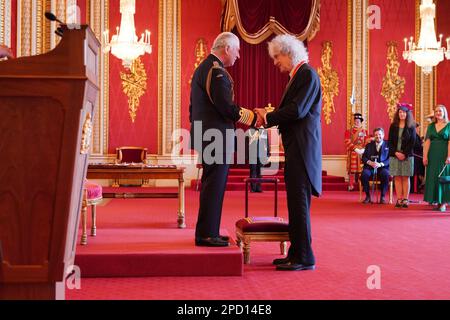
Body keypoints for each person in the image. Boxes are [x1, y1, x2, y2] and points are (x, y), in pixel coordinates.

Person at [255, 34, 322, 271]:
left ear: (288, 53)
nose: (275, 63)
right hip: (298, 149)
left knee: (299, 204)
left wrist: (269, 117)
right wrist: (269, 115)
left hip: (303, 151)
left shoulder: (306, 74)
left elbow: (297, 110)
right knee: (295, 203)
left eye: (276, 57)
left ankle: (304, 257)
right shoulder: (299, 76)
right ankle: (296, 252)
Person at [189, 32, 260, 247]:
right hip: (215, 137)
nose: (238, 56)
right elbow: (226, 108)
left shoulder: (206, 68)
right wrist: (254, 117)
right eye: (237, 51)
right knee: (214, 185)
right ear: (227, 48)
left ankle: (208, 231)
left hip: (209, 135)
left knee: (213, 185)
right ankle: (206, 235)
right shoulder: (216, 71)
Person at [388, 103, 417, 208]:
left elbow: (412, 142)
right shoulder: (393, 126)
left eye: (404, 112)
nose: (402, 114)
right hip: (395, 154)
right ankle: (399, 199)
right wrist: (396, 152)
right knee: (397, 177)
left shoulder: (411, 126)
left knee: (405, 177)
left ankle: (405, 199)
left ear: (407, 114)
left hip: (407, 156)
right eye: (400, 112)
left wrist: (404, 154)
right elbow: (390, 141)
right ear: (397, 114)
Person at [423, 105, 450, 212]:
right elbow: (427, 142)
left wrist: (449, 156)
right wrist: (425, 156)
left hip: (444, 154)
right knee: (434, 177)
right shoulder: (431, 126)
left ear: (444, 113)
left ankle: (443, 202)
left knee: (443, 178)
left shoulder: (448, 125)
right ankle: (437, 201)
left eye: (440, 111)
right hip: (432, 155)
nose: (438, 113)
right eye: (436, 111)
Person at [360, 128, 390, 204]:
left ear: (383, 135)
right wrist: (370, 162)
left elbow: (390, 159)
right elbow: (363, 157)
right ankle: (367, 196)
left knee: (385, 174)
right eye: (376, 135)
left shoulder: (388, 145)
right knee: (364, 174)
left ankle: (382, 196)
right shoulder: (369, 145)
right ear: (374, 136)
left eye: (380, 134)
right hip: (370, 167)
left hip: (382, 167)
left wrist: (380, 164)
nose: (378, 136)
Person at [344, 113, 371, 191]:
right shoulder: (348, 131)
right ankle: (351, 185)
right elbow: (347, 142)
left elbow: (367, 141)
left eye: (358, 121)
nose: (357, 122)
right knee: (351, 171)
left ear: (361, 121)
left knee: (362, 170)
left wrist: (363, 149)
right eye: (355, 121)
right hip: (353, 152)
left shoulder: (364, 131)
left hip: (362, 153)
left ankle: (362, 185)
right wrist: (355, 149)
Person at [247, 127, 269, 192]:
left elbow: (266, 142)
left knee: (260, 172)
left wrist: (267, 153)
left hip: (261, 154)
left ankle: (259, 188)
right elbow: (247, 144)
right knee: (253, 171)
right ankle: (253, 188)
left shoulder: (264, 131)